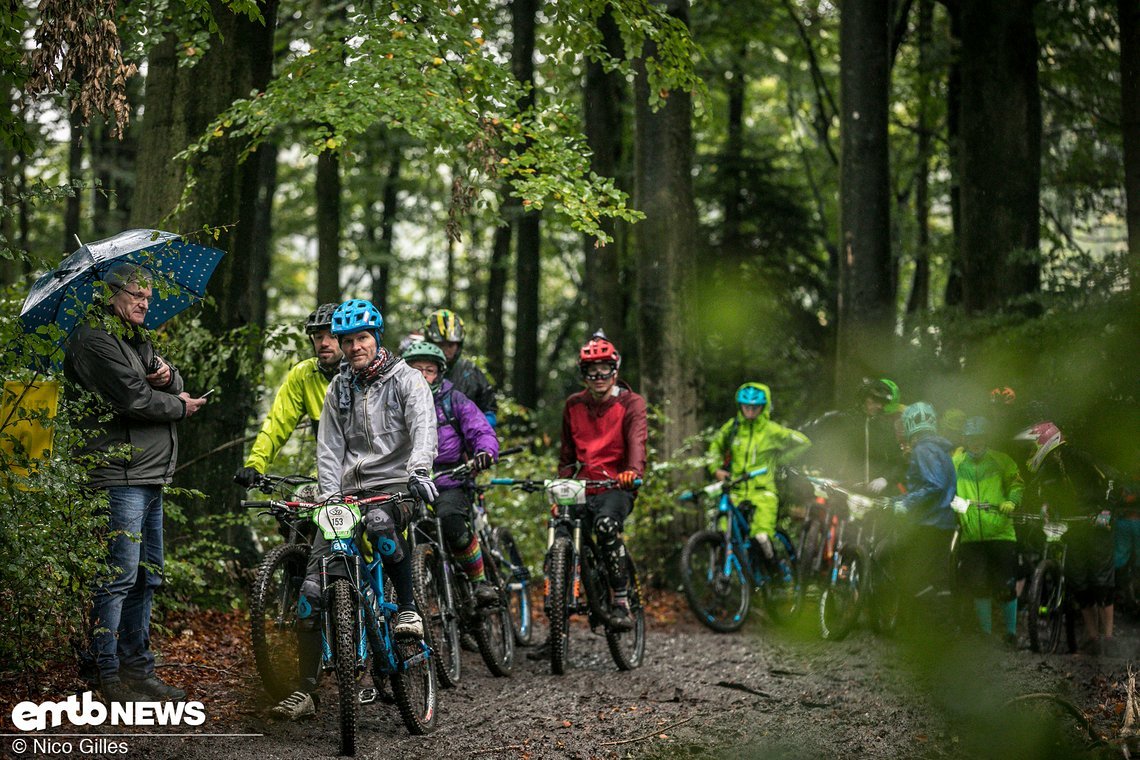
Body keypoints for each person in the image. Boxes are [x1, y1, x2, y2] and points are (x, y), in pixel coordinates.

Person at [271, 299, 438, 720]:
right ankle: (306, 690)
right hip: (346, 494)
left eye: (362, 337)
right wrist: (329, 496)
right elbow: (328, 447)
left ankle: (407, 610)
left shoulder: (406, 380)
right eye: (347, 340)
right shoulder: (338, 388)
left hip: (395, 488)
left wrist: (419, 470)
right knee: (312, 588)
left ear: (376, 337)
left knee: (382, 526)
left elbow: (423, 427)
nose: (354, 347)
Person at [63, 262, 208, 704]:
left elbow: (168, 377)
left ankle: (137, 670)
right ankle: (106, 674)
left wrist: (169, 379)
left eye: (148, 295)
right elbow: (131, 398)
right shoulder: (92, 340)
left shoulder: (135, 338)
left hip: (149, 474)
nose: (145, 302)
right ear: (111, 294)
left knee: (146, 577)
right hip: (117, 474)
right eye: (136, 295)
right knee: (118, 577)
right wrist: (179, 406)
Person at [557, 330, 646, 630]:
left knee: (607, 527)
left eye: (604, 369)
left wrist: (632, 471)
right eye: (591, 371)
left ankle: (620, 599)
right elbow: (567, 456)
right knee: (559, 532)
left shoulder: (631, 403)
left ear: (615, 369)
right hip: (583, 485)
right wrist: (561, 488)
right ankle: (558, 622)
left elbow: (637, 440)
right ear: (583, 374)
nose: (598, 376)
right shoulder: (573, 405)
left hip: (616, 485)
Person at [402, 340, 499, 604]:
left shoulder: (453, 399)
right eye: (415, 369)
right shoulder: (394, 403)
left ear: (439, 373)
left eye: (429, 369)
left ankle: (479, 582)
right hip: (407, 481)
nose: (422, 375)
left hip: (449, 478)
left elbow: (480, 429)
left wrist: (484, 451)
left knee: (451, 521)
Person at [1018, 421, 1116, 654]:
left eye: (1034, 446)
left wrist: (1106, 510)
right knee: (1080, 582)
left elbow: (1111, 480)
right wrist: (1042, 508)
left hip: (1096, 522)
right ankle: (1092, 638)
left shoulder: (1079, 457)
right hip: (1073, 525)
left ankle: (1109, 638)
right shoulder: (1048, 468)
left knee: (1101, 581)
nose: (1032, 453)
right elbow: (1040, 493)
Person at [234, 304, 342, 488]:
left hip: (369, 477)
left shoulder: (361, 373)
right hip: (327, 476)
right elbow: (277, 423)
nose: (324, 343)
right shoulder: (304, 374)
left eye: (332, 336)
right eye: (318, 337)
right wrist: (255, 464)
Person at [708, 382, 812, 570]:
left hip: (763, 492)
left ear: (763, 407)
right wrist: (716, 469)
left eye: (755, 407)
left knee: (761, 536)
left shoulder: (771, 430)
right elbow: (715, 447)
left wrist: (780, 461)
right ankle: (732, 581)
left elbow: (803, 443)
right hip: (736, 490)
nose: (750, 411)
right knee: (724, 532)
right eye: (746, 406)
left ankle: (775, 572)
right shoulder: (733, 428)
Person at [952, 416, 1024, 645]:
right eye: (971, 439)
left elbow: (1016, 483)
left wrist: (1012, 502)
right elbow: (944, 487)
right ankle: (985, 634)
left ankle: (1011, 633)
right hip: (971, 535)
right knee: (978, 585)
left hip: (1001, 534)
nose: (976, 443)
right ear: (965, 440)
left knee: (1005, 584)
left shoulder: (1001, 460)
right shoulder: (956, 463)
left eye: (980, 438)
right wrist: (953, 502)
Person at [886, 402, 958, 613]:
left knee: (912, 576)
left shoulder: (923, 449)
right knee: (937, 578)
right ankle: (945, 629)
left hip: (929, 521)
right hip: (943, 521)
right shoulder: (940, 449)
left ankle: (934, 622)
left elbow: (934, 484)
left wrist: (906, 504)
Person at [801, 377, 906, 492]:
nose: (879, 406)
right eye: (875, 401)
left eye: (882, 403)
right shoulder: (840, 419)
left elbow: (897, 461)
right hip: (835, 487)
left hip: (869, 494)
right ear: (864, 397)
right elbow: (809, 439)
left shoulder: (885, 429)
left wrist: (885, 479)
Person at [423, 308, 498, 426]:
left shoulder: (471, 372)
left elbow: (489, 411)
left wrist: (476, 427)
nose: (445, 350)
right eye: (440, 344)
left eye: (450, 345)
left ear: (458, 345)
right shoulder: (417, 371)